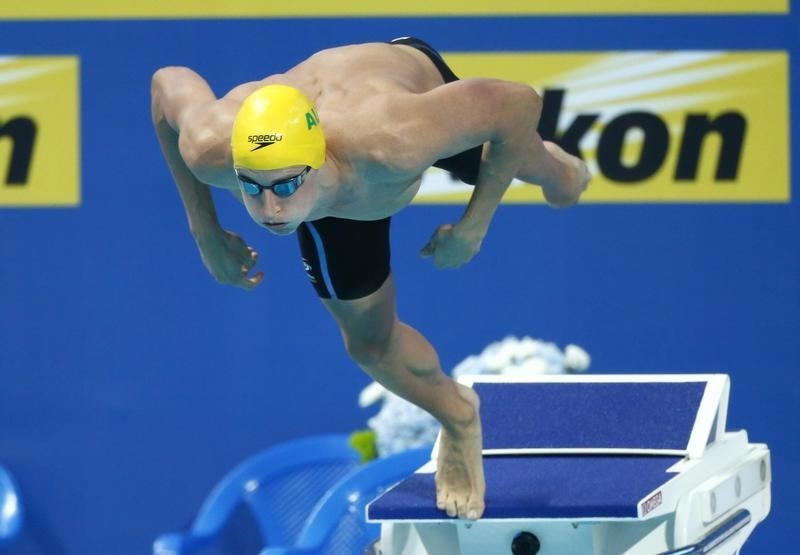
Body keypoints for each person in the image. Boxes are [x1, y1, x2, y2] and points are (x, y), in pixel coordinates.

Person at [150, 37, 589, 521]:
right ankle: (459, 417)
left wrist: (473, 226)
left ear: (316, 162)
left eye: (286, 186)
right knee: (369, 346)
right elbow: (165, 84)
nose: (271, 210)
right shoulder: (211, 145)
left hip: (396, 99)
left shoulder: (397, 139)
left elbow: (519, 102)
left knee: (547, 174)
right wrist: (204, 228)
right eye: (250, 187)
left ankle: (558, 168)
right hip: (334, 188)